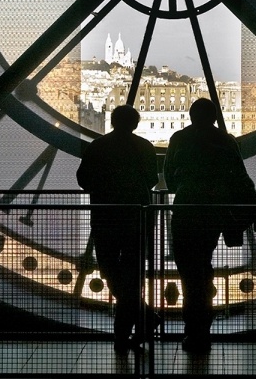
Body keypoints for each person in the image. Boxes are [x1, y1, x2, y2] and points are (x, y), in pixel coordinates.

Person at [163, 98, 256, 354]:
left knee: (189, 270)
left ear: (191, 115)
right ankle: (201, 327)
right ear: (215, 117)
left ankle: (194, 326)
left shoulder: (179, 139)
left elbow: (169, 175)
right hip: (213, 209)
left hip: (186, 206)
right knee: (203, 264)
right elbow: (239, 176)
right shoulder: (225, 141)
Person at [76, 105, 160, 354]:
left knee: (111, 272)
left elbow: (83, 180)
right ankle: (129, 331)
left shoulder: (98, 147)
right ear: (135, 123)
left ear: (112, 121)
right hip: (137, 218)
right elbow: (152, 180)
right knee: (132, 276)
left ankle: (139, 322)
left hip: (106, 218)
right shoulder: (144, 147)